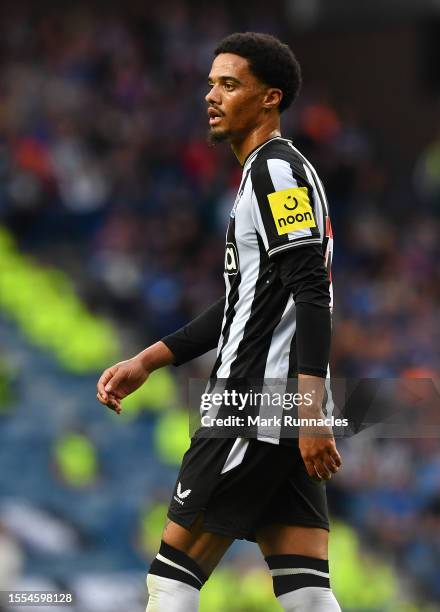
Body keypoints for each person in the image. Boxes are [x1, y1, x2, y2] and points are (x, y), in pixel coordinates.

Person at [97, 32, 342, 612]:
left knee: (172, 580)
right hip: (277, 407)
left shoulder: (276, 174)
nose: (211, 95)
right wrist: (149, 359)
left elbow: (312, 292)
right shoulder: (268, 173)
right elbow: (246, 303)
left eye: (229, 84)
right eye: (211, 83)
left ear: (269, 99)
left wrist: (309, 412)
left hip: (251, 403)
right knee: (306, 592)